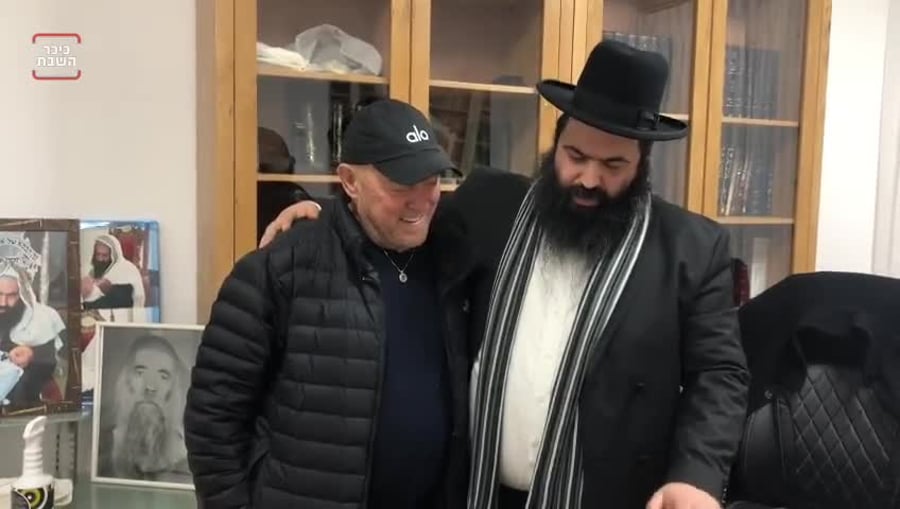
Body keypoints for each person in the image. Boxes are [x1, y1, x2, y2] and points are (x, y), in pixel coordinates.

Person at [261, 40, 750, 509]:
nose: (588, 178)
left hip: (604, 495)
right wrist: (327, 214)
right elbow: (402, 219)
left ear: (642, 164)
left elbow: (719, 374)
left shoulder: (691, 248)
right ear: (556, 142)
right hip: (476, 491)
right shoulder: (491, 203)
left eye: (613, 164)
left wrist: (697, 474)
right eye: (576, 156)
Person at [184, 98, 472, 509]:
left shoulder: (454, 257)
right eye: (400, 185)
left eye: (431, 181)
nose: (421, 200)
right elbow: (213, 417)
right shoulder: (280, 268)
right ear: (350, 181)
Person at [100, 333, 191, 483]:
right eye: (140, 373)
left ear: (172, 388)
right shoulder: (103, 446)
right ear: (127, 380)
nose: (150, 387)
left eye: (163, 376)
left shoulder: (187, 456)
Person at [0, 260, 65, 408]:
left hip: (23, 406)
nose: (3, 302)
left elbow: (59, 359)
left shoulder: (42, 318)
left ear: (24, 294)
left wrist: (32, 353)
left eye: (12, 295)